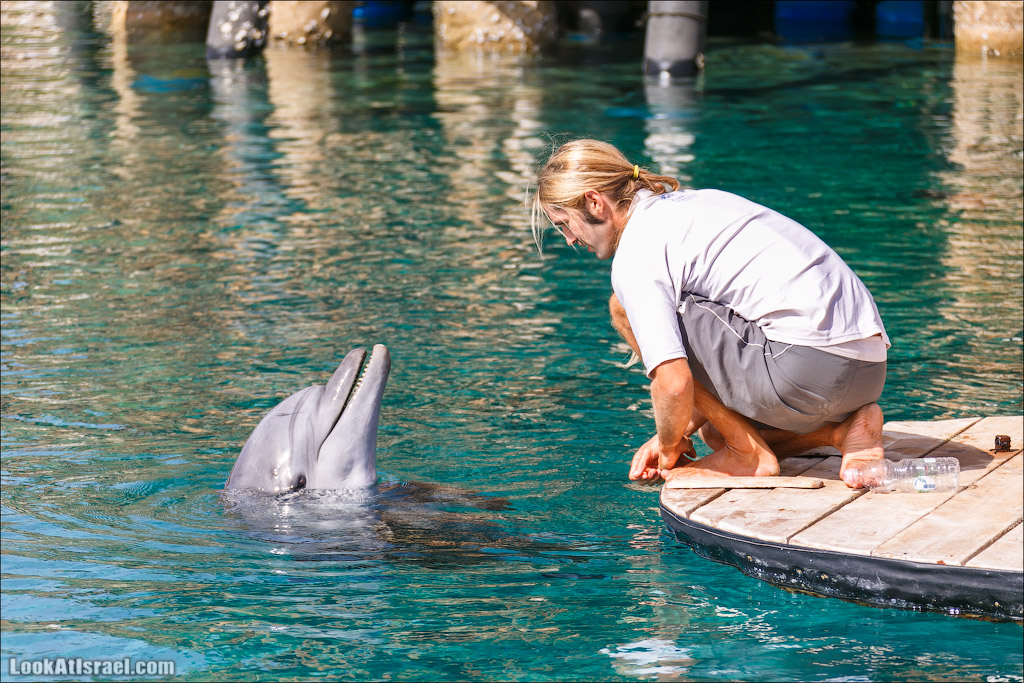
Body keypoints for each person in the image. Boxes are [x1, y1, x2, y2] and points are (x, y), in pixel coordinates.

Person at [532, 139, 890, 488]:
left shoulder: (637, 251)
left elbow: (674, 384)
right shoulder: (700, 201)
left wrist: (669, 446)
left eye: (564, 223)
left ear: (594, 203)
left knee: (621, 308)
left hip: (803, 370)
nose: (569, 240)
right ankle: (841, 432)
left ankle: (746, 454)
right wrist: (681, 428)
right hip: (868, 369)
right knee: (716, 431)